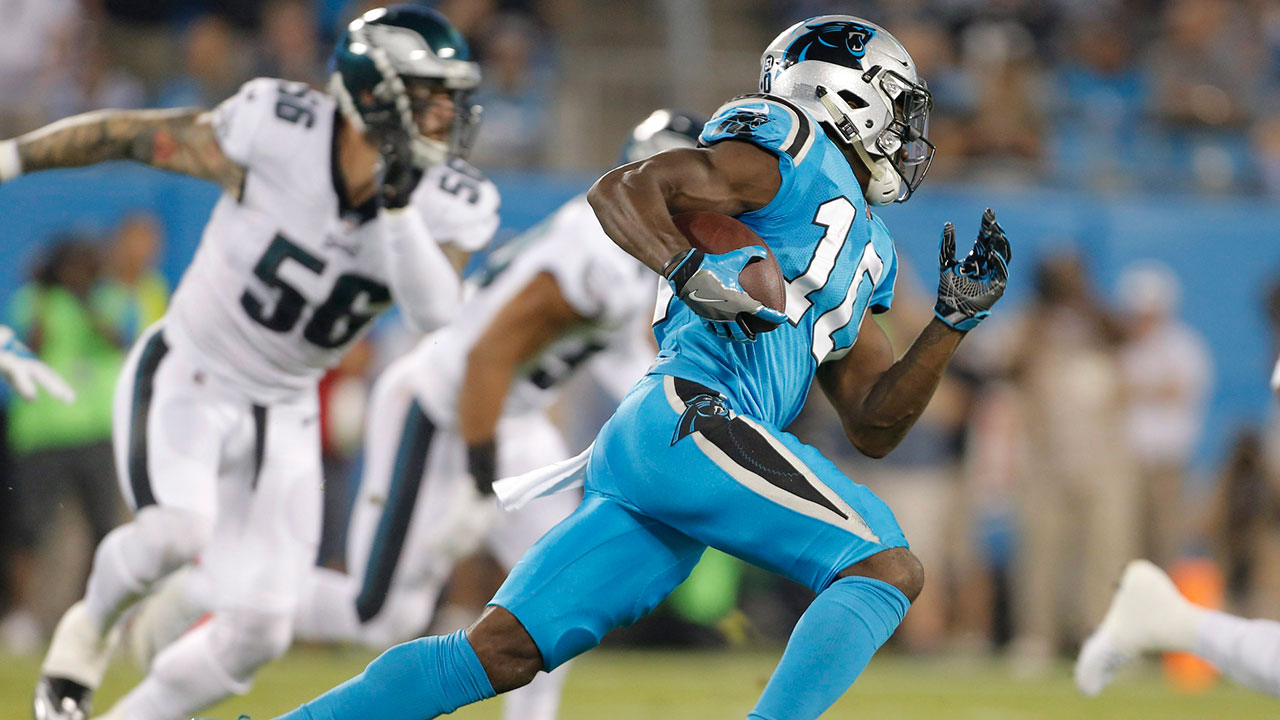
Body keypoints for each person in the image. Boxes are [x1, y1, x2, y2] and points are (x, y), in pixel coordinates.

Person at [246, 15, 1013, 720]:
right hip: (693, 412)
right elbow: (627, 188)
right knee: (884, 565)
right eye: (900, 106)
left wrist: (950, 325)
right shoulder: (787, 139)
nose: (909, 131)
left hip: (675, 444)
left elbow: (875, 422)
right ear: (853, 93)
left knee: (498, 653)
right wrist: (686, 269)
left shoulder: (872, 250)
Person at [9, 7, 491, 720]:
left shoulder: (447, 200)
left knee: (262, 629)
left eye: (452, 95)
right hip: (193, 369)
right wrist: (10, 157)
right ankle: (84, 638)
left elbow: (435, 314)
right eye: (427, 93)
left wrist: (396, 211)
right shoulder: (279, 128)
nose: (446, 114)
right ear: (370, 93)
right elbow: (135, 137)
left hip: (287, 405)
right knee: (178, 532)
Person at [293, 108, 707, 720]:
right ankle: (236, 597)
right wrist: (475, 484)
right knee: (380, 615)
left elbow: (633, 369)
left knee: (561, 595)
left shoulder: (633, 258)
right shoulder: (598, 255)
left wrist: (697, 428)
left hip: (514, 420)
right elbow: (487, 358)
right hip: (442, 409)